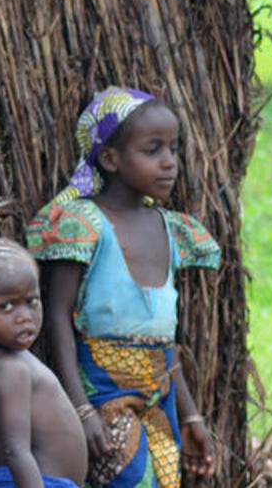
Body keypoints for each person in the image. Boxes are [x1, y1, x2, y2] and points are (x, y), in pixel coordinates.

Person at [25, 88, 220, 488]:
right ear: (110, 159)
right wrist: (81, 409)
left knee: (165, 480)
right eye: (152, 150)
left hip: (161, 400)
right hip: (100, 393)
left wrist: (190, 415)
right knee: (130, 478)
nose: (169, 162)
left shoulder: (171, 229)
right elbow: (57, 317)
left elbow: (165, 342)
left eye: (173, 149)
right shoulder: (83, 224)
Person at [0, 238, 89, 488]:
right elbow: (16, 451)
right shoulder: (11, 369)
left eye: (32, 301)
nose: (25, 317)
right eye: (6, 306)